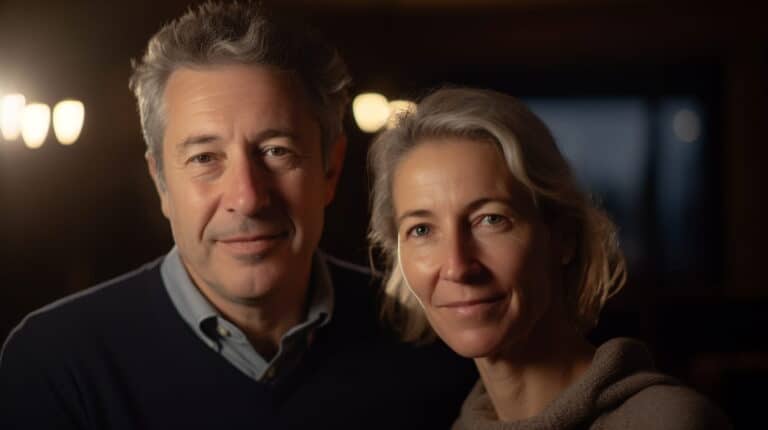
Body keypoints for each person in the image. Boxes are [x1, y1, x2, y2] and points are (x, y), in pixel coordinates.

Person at [0, 3, 476, 428]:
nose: (247, 199)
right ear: (160, 181)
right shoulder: (55, 363)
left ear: (330, 170)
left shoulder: (429, 334)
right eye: (205, 158)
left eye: (276, 151)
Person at [368, 87, 732, 429]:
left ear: (563, 237)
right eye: (421, 230)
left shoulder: (668, 422)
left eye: (491, 220)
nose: (457, 266)